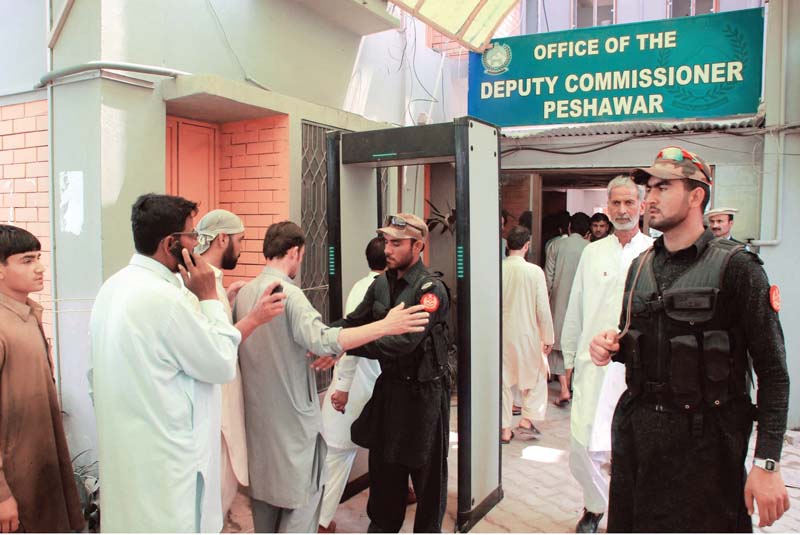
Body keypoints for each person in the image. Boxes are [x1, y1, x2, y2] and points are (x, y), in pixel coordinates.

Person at [589, 146, 791, 532]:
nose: (650, 198)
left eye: (663, 187)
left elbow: (773, 372)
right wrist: (609, 346)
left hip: (706, 450)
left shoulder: (738, 269)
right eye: (649, 187)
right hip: (640, 444)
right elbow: (633, 340)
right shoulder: (640, 266)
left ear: (696, 195)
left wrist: (767, 463)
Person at [89, 193, 286, 532]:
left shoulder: (113, 286)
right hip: (168, 460)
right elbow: (221, 363)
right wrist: (209, 299)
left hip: (130, 451)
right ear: (171, 243)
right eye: (192, 236)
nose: (197, 244)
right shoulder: (169, 299)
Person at [234, 221, 430, 534]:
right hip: (294, 426)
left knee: (265, 510)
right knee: (302, 507)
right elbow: (324, 340)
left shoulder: (243, 295)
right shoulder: (291, 295)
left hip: (258, 426)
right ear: (296, 252)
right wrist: (386, 326)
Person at [333, 213, 451, 533]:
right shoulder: (381, 284)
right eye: (386, 242)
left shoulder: (431, 290)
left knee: (428, 483)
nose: (388, 249)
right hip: (390, 393)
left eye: (396, 243)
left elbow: (402, 344)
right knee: (384, 476)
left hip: (425, 397)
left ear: (419, 246)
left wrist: (348, 345)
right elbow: (354, 322)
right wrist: (326, 339)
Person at [560, 177, 653, 532]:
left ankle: (627, 513)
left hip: (635, 370)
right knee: (582, 447)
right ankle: (596, 505)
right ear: (607, 207)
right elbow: (576, 307)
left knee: (627, 448)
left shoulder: (654, 254)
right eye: (615, 203)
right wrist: (569, 360)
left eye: (629, 203)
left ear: (642, 207)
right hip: (592, 365)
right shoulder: (592, 252)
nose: (622, 210)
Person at [0, 225, 84, 534]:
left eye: (38, 257)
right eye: (25, 260)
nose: (39, 267)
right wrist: (2, 495)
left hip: (40, 470)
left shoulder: (27, 313)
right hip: (14, 481)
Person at [318, 237, 387, 533]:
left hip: (370, 383)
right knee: (338, 452)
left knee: (383, 447)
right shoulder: (375, 290)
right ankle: (320, 522)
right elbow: (352, 339)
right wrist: (343, 387)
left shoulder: (364, 285)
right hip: (359, 384)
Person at [192, 209, 250, 529]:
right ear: (223, 238)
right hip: (215, 408)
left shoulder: (212, 281)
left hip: (220, 403)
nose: (241, 249)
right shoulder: (200, 282)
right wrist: (256, 319)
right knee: (216, 492)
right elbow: (215, 348)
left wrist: (226, 299)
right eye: (240, 240)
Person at [501, 225, 554, 444]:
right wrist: (549, 337)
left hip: (501, 334)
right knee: (536, 377)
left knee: (503, 382)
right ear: (527, 245)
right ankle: (527, 418)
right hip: (528, 333)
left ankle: (504, 429)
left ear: (507, 244)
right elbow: (542, 308)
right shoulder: (534, 272)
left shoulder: (498, 269)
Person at [546, 212, 590, 406]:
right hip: (584, 303)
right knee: (578, 342)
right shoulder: (591, 249)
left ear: (570, 227)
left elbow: (548, 276)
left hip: (559, 301)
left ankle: (564, 388)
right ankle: (573, 386)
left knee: (558, 346)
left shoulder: (556, 245)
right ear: (588, 232)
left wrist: (546, 301)